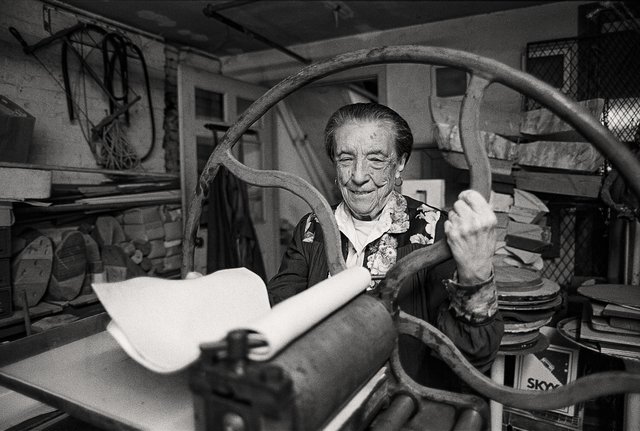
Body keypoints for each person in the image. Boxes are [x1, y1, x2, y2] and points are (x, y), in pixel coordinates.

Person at [267, 102, 503, 391]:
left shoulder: (433, 230)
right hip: (325, 390)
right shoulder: (311, 227)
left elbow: (473, 355)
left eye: (376, 159)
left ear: (400, 163)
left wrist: (476, 274)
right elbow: (278, 312)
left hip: (403, 400)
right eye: (345, 158)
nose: (358, 175)